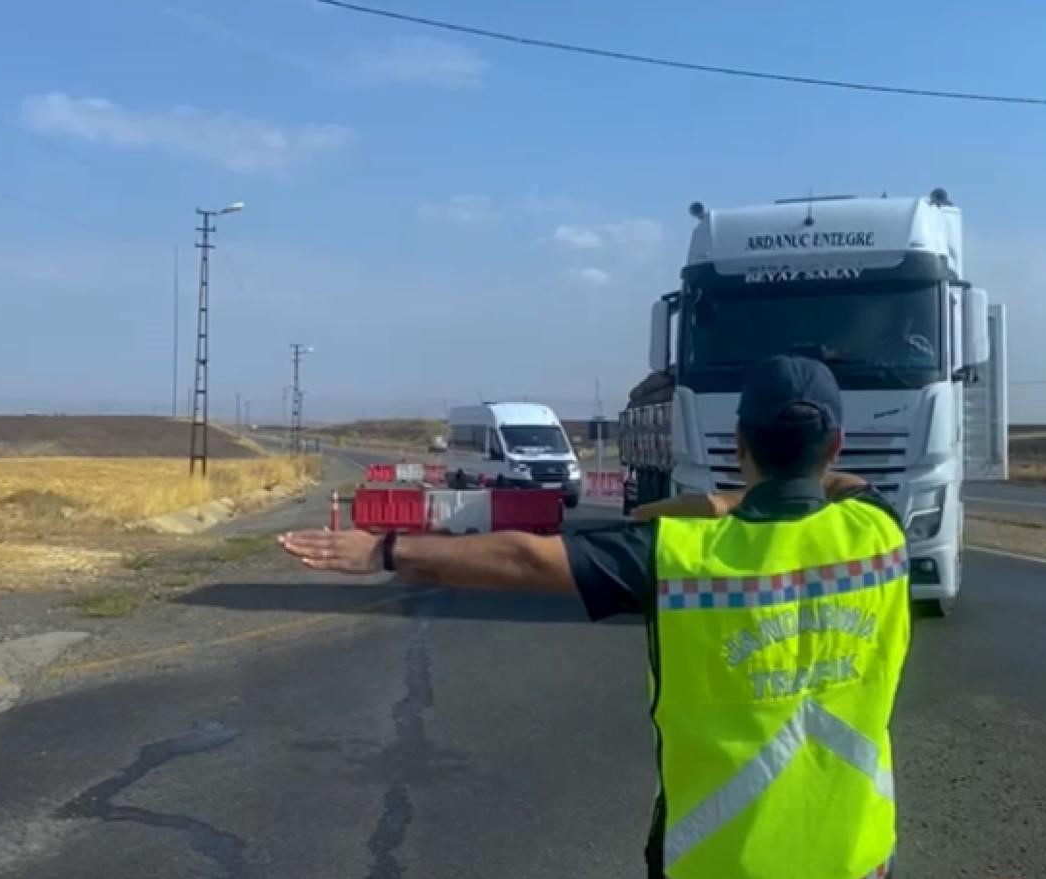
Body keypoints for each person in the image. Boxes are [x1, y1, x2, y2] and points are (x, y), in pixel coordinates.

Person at [279, 356, 910, 879]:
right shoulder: (880, 533)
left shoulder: (680, 555)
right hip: (855, 856)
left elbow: (525, 560)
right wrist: (764, 493)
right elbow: (846, 486)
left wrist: (383, 550)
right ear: (835, 444)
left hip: (722, 862)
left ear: (738, 443)